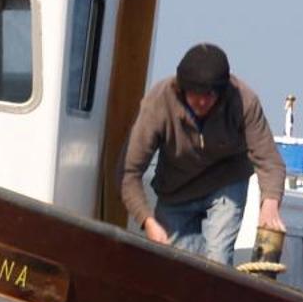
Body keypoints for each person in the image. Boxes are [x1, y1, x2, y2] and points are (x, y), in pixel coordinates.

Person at [118, 43, 286, 264]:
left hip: (226, 182)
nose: (203, 101)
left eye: (210, 95)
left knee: (217, 261)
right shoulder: (158, 103)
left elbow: (270, 161)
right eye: (196, 95)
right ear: (182, 89)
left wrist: (270, 204)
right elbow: (128, 172)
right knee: (175, 267)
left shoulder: (244, 101)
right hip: (175, 190)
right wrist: (147, 220)